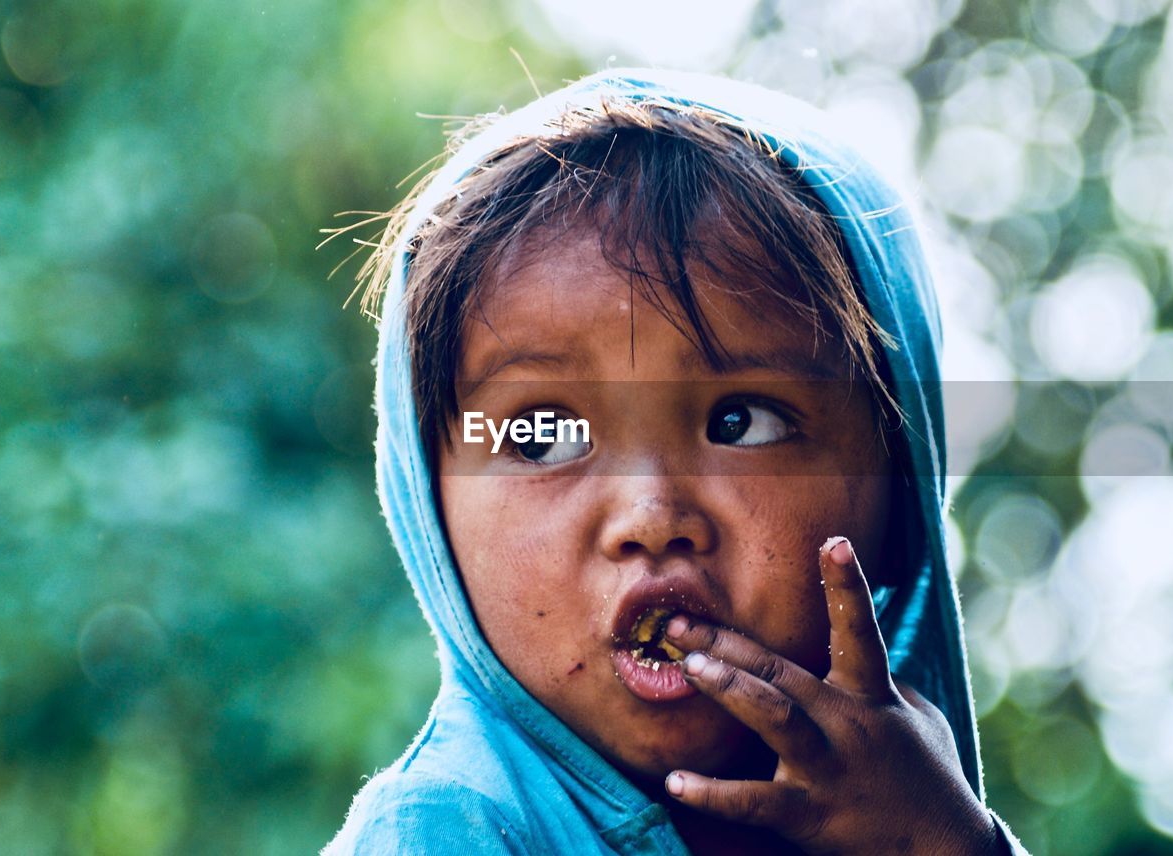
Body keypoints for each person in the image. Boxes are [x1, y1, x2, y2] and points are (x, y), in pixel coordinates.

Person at [324, 68, 1029, 855]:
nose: (652, 517)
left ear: (901, 501)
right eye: (542, 436)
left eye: (742, 421)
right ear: (430, 512)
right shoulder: (446, 827)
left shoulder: (912, 821)